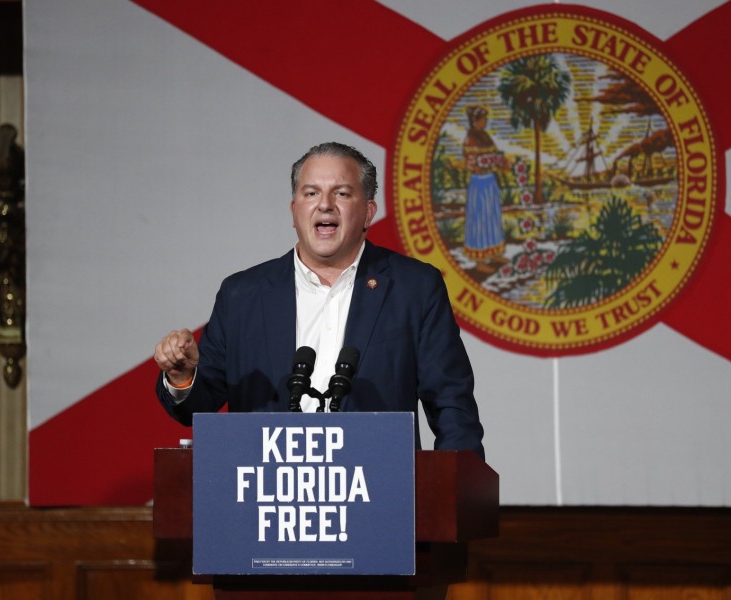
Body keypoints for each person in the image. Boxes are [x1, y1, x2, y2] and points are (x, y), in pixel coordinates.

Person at [153, 142, 484, 458]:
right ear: (295, 210)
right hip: (270, 498)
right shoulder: (242, 295)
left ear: (369, 212)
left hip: (379, 493)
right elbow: (197, 406)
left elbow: (452, 405)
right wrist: (182, 378)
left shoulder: (413, 287)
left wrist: (450, 494)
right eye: (311, 193)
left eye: (341, 193)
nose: (325, 204)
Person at [462, 106, 506, 266]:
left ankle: (494, 254)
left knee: (492, 217)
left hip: (490, 182)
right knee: (479, 219)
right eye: (483, 119)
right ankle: (480, 262)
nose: (485, 121)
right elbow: (471, 163)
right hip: (479, 183)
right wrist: (486, 163)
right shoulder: (470, 139)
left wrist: (499, 162)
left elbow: (495, 155)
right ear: (475, 121)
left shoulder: (485, 136)